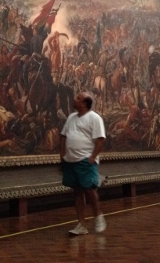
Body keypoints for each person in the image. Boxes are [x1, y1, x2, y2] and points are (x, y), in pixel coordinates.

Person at [60, 91, 106, 235]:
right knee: (77, 192)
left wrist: (92, 157)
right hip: (70, 161)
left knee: (90, 189)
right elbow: (63, 136)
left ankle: (98, 216)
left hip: (85, 160)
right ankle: (81, 224)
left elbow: (100, 139)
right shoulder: (71, 118)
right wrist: (62, 155)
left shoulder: (94, 118)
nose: (74, 99)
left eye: (78, 98)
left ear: (84, 104)